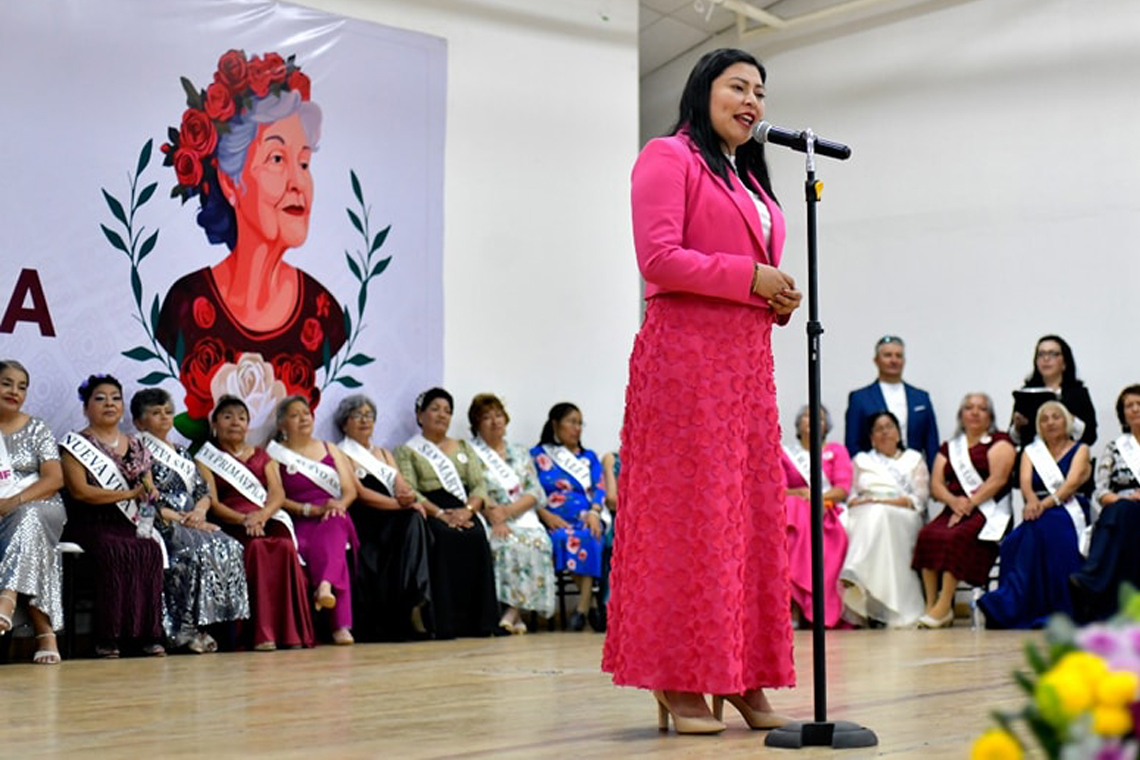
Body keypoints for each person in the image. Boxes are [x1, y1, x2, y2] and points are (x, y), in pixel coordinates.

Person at [601, 48, 802, 734]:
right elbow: (657, 258)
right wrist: (750, 277)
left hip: (745, 369)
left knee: (745, 518)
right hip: (685, 363)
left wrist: (774, 297)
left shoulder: (749, 174)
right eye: (737, 87)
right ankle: (680, 677)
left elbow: (749, 266)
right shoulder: (668, 155)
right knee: (690, 519)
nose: (751, 101)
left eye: (760, 92)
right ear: (702, 90)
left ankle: (741, 671)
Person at [156, 50, 345, 433]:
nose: (298, 182)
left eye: (304, 163)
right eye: (277, 158)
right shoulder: (186, 303)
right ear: (230, 181)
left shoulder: (323, 313)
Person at [130, 389, 249, 652]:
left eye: (167, 412)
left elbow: (202, 492)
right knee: (191, 549)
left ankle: (215, 628)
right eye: (155, 412)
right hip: (161, 520)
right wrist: (181, 518)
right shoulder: (137, 450)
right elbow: (144, 497)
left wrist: (199, 513)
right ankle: (180, 631)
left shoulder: (183, 454)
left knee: (228, 545)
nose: (164, 417)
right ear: (139, 422)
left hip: (193, 518)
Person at [196, 395, 314, 650]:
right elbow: (213, 502)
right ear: (215, 422)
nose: (235, 422)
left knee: (284, 546)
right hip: (232, 519)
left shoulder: (262, 456)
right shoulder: (206, 458)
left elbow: (277, 493)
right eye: (227, 417)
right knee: (256, 549)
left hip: (267, 515)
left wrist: (261, 515)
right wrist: (245, 519)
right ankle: (261, 634)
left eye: (241, 417)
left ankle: (290, 633)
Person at [59, 374, 165, 658]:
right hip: (91, 521)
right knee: (116, 550)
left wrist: (149, 493)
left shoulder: (136, 444)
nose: (109, 403)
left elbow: (148, 482)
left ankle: (147, 635)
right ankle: (109, 638)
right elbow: (80, 492)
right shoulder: (74, 445)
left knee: (150, 549)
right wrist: (128, 495)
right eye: (100, 398)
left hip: (129, 521)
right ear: (86, 407)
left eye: (115, 398)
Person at [395, 388, 498, 639]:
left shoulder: (463, 446)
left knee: (475, 536)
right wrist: (440, 514)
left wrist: (468, 510)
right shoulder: (407, 451)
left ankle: (479, 622)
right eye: (435, 409)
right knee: (445, 537)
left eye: (448, 411)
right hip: (431, 510)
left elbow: (478, 485)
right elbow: (410, 489)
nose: (442, 415)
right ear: (420, 415)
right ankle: (445, 622)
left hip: (463, 508)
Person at [977, 401, 1091, 628]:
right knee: (1013, 541)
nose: (1050, 422)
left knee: (1048, 533)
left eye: (1056, 417)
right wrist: (1031, 501)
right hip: (1037, 508)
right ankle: (1014, 605)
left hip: (1067, 507)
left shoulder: (1081, 449)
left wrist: (1044, 504)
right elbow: (1025, 483)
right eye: (1044, 419)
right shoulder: (1031, 451)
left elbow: (1071, 483)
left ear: (1066, 421)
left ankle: (1058, 608)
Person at [911, 393, 1015, 628]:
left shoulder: (1000, 441)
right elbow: (936, 484)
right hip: (954, 508)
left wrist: (970, 503)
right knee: (928, 534)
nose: (975, 412)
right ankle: (932, 604)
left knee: (955, 537)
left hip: (987, 511)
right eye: (969, 408)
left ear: (990, 416)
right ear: (961, 415)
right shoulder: (950, 448)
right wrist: (954, 501)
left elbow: (998, 480)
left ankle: (945, 603)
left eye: (982, 408)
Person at [335, 394, 431, 641]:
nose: (364, 420)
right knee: (412, 520)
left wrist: (409, 498)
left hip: (394, 515)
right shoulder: (341, 452)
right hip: (366, 516)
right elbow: (360, 493)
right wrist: (400, 507)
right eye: (357, 415)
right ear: (345, 423)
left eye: (368, 415)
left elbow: (402, 485)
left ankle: (414, 599)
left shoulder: (385, 454)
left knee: (416, 520)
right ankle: (415, 598)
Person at [267, 396, 359, 645]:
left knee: (336, 522)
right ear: (282, 425)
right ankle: (339, 624)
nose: (303, 418)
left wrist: (339, 503)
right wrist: (308, 510)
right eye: (295, 415)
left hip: (333, 514)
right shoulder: (274, 455)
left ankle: (325, 587)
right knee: (332, 544)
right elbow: (275, 496)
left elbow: (350, 490)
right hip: (299, 519)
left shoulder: (330, 449)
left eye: (306, 413)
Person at [468, 393, 555, 634]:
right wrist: (493, 514)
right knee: (505, 543)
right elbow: (473, 486)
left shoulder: (519, 451)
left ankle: (513, 612)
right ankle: (513, 615)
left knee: (538, 541)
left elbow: (533, 490)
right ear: (476, 424)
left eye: (498, 415)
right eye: (487, 417)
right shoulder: (472, 452)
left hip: (520, 514)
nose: (495, 421)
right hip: (491, 516)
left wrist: (509, 511)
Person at [0, 360, 66, 664]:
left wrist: (13, 503)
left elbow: (54, 479)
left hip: (42, 505)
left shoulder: (36, 427)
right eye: (7, 383)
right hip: (8, 516)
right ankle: (44, 631)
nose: (15, 391)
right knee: (30, 535)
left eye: (22, 387)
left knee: (28, 518)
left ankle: (7, 599)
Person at [841, 411, 929, 628]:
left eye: (889, 427)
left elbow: (918, 500)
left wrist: (883, 503)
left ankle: (856, 570)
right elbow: (851, 496)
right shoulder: (861, 460)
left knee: (881, 515)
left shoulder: (914, 459)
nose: (884, 432)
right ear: (871, 438)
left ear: (899, 433)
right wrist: (866, 502)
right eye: (878, 429)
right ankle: (859, 587)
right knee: (862, 517)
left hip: (901, 513)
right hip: (864, 511)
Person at [1070, 385, 1140, 622]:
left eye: (1139, 403)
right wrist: (1121, 499)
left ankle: (1091, 579)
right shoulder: (1114, 448)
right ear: (1123, 414)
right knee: (1120, 512)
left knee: (1118, 515)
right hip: (1122, 507)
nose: (1135, 409)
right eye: (1129, 405)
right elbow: (1100, 489)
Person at [779, 404, 851, 628]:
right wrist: (800, 494)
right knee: (794, 508)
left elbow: (842, 489)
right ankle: (792, 603)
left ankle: (803, 604)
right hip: (794, 511)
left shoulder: (837, 450)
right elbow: (778, 489)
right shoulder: (783, 453)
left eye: (819, 418)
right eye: (807, 417)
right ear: (798, 424)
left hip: (827, 509)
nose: (812, 421)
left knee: (801, 511)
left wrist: (817, 499)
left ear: (826, 426)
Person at [845, 336, 940, 468]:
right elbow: (853, 444)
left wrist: (932, 477)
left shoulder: (921, 398)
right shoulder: (860, 398)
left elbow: (931, 443)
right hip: (875, 475)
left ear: (904, 361)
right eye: (888, 355)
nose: (893, 360)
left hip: (914, 473)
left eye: (898, 356)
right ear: (876, 360)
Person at [1010, 335, 1097, 449]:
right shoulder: (1027, 392)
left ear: (1064, 363)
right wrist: (1017, 426)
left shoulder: (1078, 394)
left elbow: (1090, 436)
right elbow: (1013, 439)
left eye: (1053, 354)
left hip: (1068, 458)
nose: (1046, 359)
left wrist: (1069, 418)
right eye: (1041, 354)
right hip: (1032, 457)